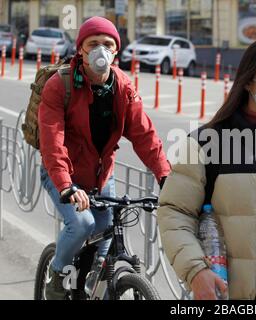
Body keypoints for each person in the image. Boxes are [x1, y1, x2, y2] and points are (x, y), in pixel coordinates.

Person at [158, 37, 256, 300]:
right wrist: (196, 271)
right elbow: (174, 212)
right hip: (223, 285)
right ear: (248, 82)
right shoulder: (207, 142)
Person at [38, 16, 171, 300]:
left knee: (105, 237)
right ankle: (59, 275)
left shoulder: (123, 87)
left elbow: (145, 136)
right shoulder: (59, 86)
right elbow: (52, 142)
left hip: (101, 177)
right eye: (93, 43)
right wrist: (66, 185)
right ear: (81, 50)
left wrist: (165, 176)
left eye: (108, 44)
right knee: (83, 225)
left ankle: (92, 283)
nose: (101, 50)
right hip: (63, 176)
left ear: (116, 51)